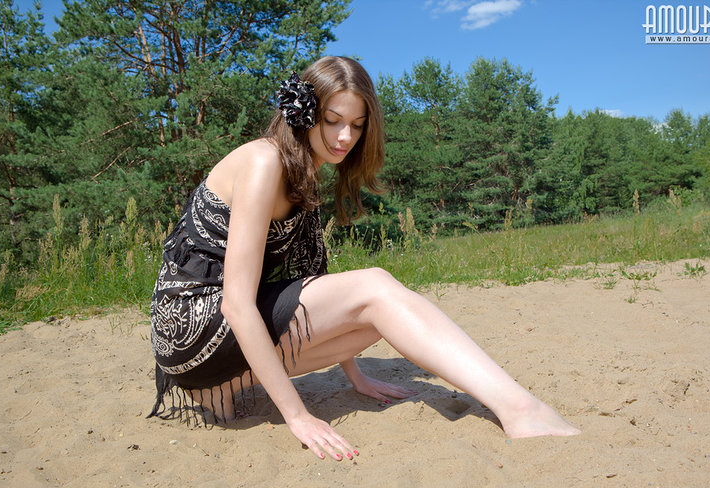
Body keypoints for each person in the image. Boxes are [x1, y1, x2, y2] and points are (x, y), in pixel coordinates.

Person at [148, 56, 579, 461]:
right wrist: (298, 416)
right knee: (376, 285)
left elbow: (313, 283)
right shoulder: (264, 162)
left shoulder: (304, 170)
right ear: (304, 114)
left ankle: (220, 387)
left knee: (377, 320)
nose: (345, 138)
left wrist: (355, 376)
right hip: (190, 322)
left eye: (356, 125)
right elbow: (236, 304)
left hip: (208, 345)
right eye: (333, 120)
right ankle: (520, 408)